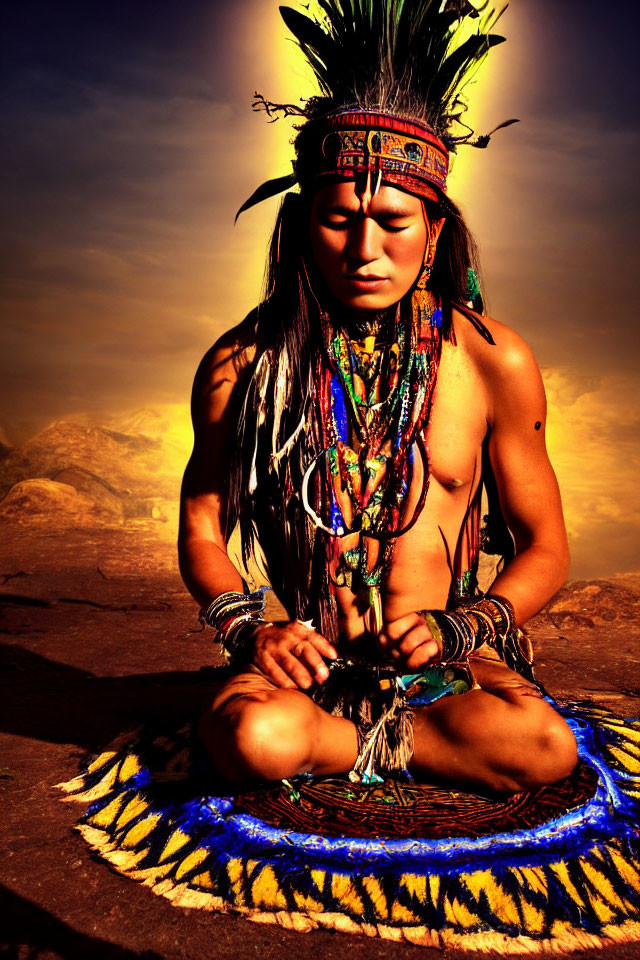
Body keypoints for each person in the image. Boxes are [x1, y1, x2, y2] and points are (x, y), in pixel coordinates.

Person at [178, 0, 578, 796]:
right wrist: (255, 632)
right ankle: (344, 737)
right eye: (339, 220)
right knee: (254, 736)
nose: (366, 250)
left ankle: (355, 743)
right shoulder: (241, 364)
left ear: (434, 233)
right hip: (304, 666)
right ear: (300, 226)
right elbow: (201, 523)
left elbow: (545, 546)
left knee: (542, 748)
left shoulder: (494, 360)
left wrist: (459, 628)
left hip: (447, 665)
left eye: (392, 222)